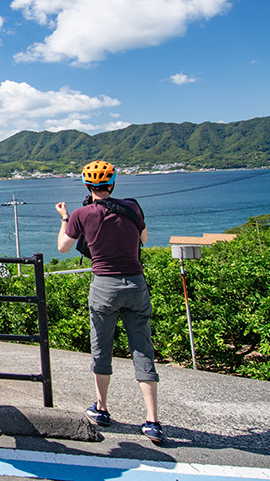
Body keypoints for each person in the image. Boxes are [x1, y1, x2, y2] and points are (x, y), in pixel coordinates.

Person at [55, 160, 164, 445]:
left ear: (87, 186)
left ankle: (101, 408)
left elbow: (63, 247)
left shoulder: (81, 214)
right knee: (143, 348)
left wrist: (65, 218)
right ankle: (152, 421)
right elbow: (145, 238)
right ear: (112, 184)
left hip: (104, 286)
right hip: (136, 283)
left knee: (101, 347)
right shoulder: (133, 208)